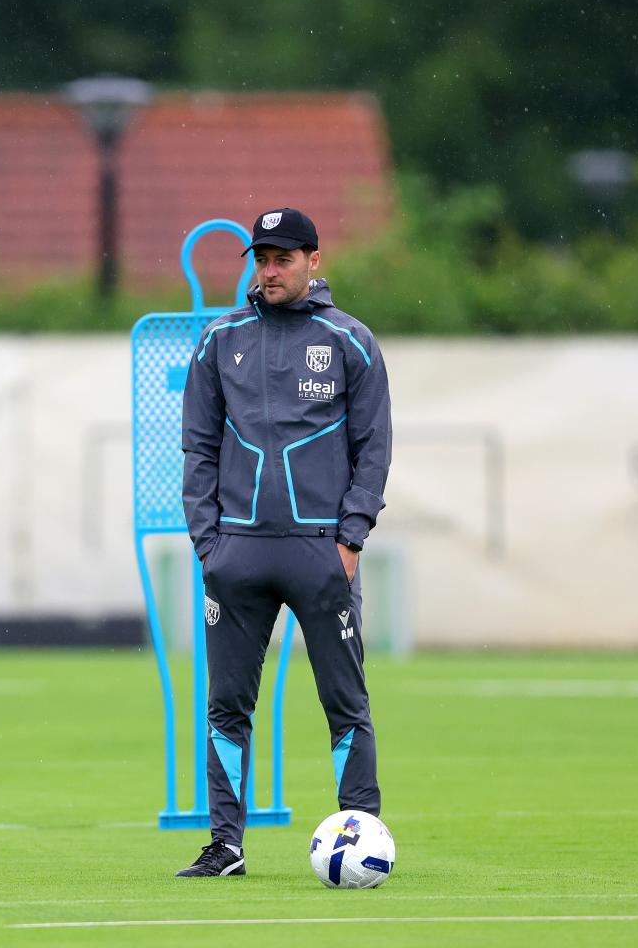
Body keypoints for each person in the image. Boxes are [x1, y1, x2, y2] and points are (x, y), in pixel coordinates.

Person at [175, 207, 392, 877]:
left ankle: (363, 837)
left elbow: (374, 447)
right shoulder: (220, 340)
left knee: (345, 703)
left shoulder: (350, 340)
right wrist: (208, 542)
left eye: (283, 258)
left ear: (313, 261)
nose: (269, 270)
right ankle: (225, 846)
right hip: (236, 555)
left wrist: (350, 538)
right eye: (261, 259)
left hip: (321, 552)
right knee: (226, 705)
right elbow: (198, 445)